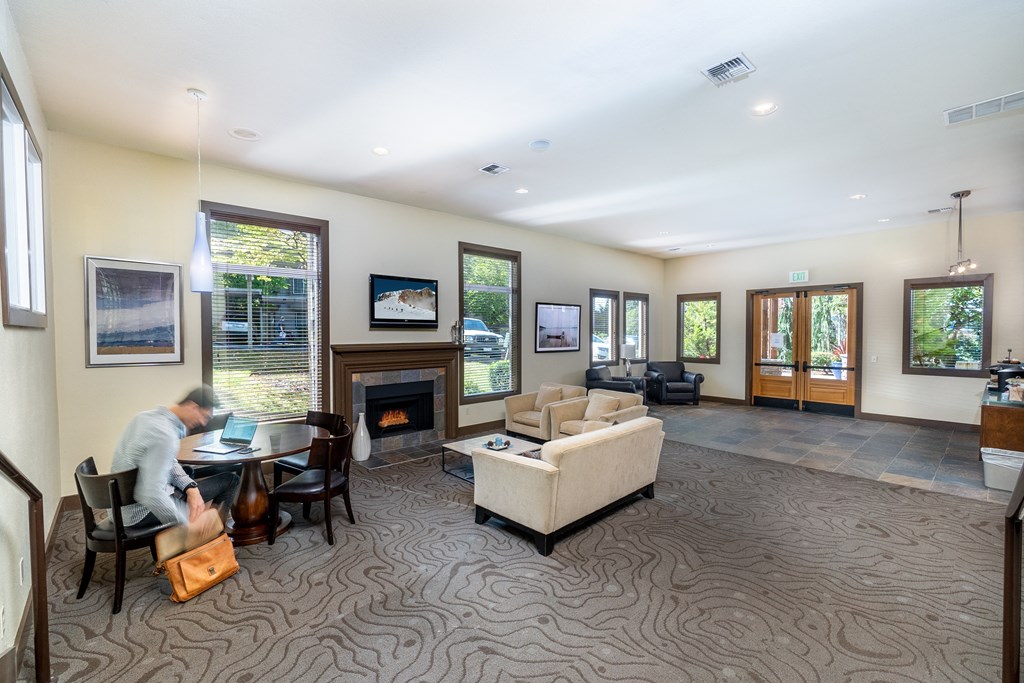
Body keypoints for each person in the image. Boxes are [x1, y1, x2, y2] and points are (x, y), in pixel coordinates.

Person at [112, 385, 239, 530]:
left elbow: (165, 461)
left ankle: (208, 530)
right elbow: (149, 494)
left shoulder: (143, 417)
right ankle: (211, 535)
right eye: (204, 416)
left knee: (187, 473)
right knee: (231, 480)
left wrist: (191, 487)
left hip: (118, 509)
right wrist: (188, 523)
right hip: (140, 513)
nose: (203, 423)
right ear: (193, 406)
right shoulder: (165, 435)